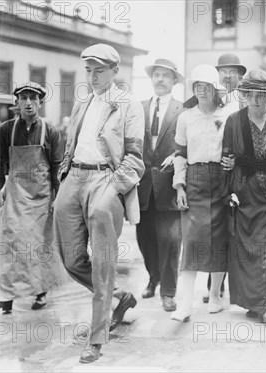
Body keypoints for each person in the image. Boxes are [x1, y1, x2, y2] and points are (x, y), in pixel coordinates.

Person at [53, 43, 144, 363]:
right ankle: (119, 297)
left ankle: (97, 338)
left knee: (103, 263)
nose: (92, 76)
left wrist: (114, 188)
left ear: (115, 72)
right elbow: (71, 144)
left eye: (99, 70)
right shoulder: (83, 102)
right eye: (88, 70)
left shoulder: (128, 105)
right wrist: (64, 177)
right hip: (74, 178)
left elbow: (135, 156)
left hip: (106, 179)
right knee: (71, 258)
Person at [222, 70, 266, 325]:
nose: (256, 100)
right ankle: (254, 302)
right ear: (243, 95)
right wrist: (230, 185)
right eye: (250, 94)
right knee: (248, 248)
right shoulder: (233, 121)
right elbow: (227, 156)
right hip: (246, 189)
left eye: (261, 95)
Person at [0, 82, 66, 314]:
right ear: (17, 102)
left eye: (33, 98)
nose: (28, 103)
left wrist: (57, 197)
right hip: (15, 196)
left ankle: (40, 293)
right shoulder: (6, 129)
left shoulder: (51, 131)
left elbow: (57, 168)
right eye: (23, 98)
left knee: (37, 247)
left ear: (41, 103)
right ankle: (5, 298)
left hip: (41, 198)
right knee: (9, 244)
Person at [170, 65, 236, 322]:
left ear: (215, 89)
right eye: (197, 86)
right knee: (193, 240)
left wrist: (233, 165)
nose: (202, 90)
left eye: (207, 86)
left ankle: (216, 295)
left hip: (221, 179)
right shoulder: (186, 117)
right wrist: (179, 185)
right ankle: (184, 303)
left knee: (220, 239)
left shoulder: (228, 115)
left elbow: (234, 149)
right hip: (194, 179)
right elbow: (180, 154)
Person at [136, 59, 185, 312]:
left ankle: (168, 291)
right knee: (145, 238)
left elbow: (187, 143)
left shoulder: (183, 110)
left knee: (170, 239)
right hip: (142, 187)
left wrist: (177, 154)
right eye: (156, 75)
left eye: (166, 75)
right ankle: (153, 276)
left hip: (170, 185)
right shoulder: (139, 108)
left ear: (174, 80)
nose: (160, 80)